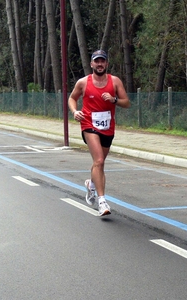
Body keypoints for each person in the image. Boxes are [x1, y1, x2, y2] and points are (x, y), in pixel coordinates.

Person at [68, 49, 130, 216]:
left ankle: (91, 185)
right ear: (92, 64)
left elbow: (126, 103)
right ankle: (102, 202)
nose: (100, 64)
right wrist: (75, 112)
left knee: (98, 163)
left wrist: (114, 100)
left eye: (102, 61)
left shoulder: (115, 82)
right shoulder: (83, 82)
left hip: (108, 127)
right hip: (88, 124)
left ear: (106, 64)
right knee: (99, 161)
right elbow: (72, 98)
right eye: (97, 61)